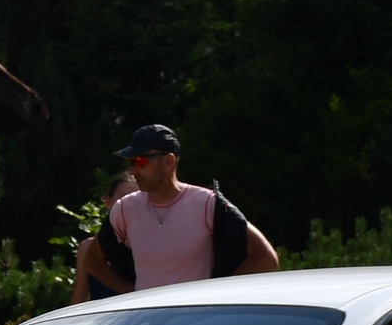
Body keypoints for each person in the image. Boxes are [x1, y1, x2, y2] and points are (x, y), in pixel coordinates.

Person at [91, 124, 280, 294]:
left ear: (169, 161)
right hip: (147, 322)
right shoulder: (125, 208)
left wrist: (216, 296)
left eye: (141, 161)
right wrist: (133, 294)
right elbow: (92, 261)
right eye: (131, 162)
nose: (133, 170)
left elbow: (266, 258)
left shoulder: (206, 203)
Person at [70, 172, 139, 301]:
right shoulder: (87, 249)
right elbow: (78, 302)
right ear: (108, 202)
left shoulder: (153, 244)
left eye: (137, 200)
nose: (130, 206)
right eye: (124, 199)